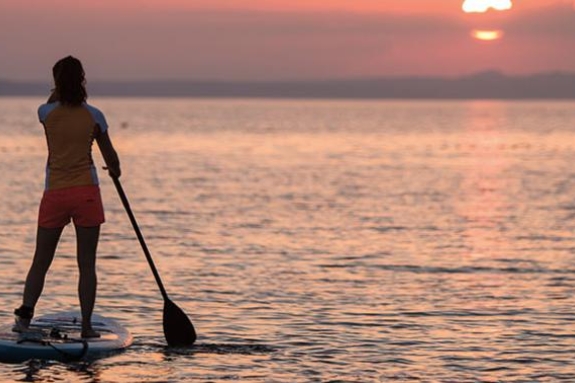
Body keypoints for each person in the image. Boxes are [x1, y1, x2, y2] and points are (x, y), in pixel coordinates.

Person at [13, 56, 121, 338]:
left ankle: (24, 318)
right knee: (86, 264)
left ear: (57, 83)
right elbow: (112, 159)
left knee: (41, 260)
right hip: (87, 193)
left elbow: (52, 102)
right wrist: (114, 170)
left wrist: (60, 88)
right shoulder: (95, 115)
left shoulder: (45, 112)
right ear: (83, 81)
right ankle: (86, 327)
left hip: (55, 194)